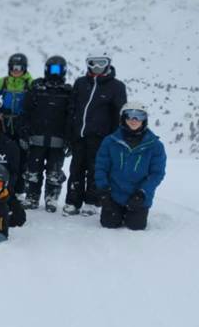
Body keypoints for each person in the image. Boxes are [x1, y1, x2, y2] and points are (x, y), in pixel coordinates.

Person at [64, 54, 127, 216]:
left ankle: (91, 202)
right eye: (93, 63)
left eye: (102, 63)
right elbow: (72, 109)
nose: (97, 67)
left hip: (101, 138)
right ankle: (72, 201)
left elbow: (119, 115)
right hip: (79, 135)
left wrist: (114, 138)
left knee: (95, 170)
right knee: (76, 169)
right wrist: (70, 132)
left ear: (108, 64)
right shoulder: (80, 83)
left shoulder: (116, 86)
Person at [94, 102, 166, 231]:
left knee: (135, 226)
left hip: (138, 196)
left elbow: (157, 173)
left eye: (139, 116)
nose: (134, 120)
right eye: (129, 116)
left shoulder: (155, 145)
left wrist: (142, 193)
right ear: (123, 118)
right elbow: (101, 167)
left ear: (144, 120)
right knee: (109, 224)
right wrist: (104, 190)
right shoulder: (110, 141)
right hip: (114, 195)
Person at [21, 56, 73, 211]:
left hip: (58, 140)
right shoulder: (36, 88)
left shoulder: (68, 92)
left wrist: (70, 139)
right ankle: (31, 197)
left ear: (64, 71)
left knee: (54, 172)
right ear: (46, 69)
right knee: (32, 171)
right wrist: (24, 133)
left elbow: (72, 116)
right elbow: (26, 112)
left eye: (58, 69)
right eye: (52, 69)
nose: (54, 73)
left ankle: (51, 198)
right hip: (36, 138)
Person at [0, 53, 34, 194]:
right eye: (13, 67)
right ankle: (1, 185)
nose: (16, 70)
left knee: (22, 157)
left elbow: (36, 103)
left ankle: (19, 190)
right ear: (9, 67)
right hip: (4, 123)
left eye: (19, 67)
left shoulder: (30, 83)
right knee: (2, 155)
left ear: (24, 68)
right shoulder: (2, 82)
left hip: (22, 125)